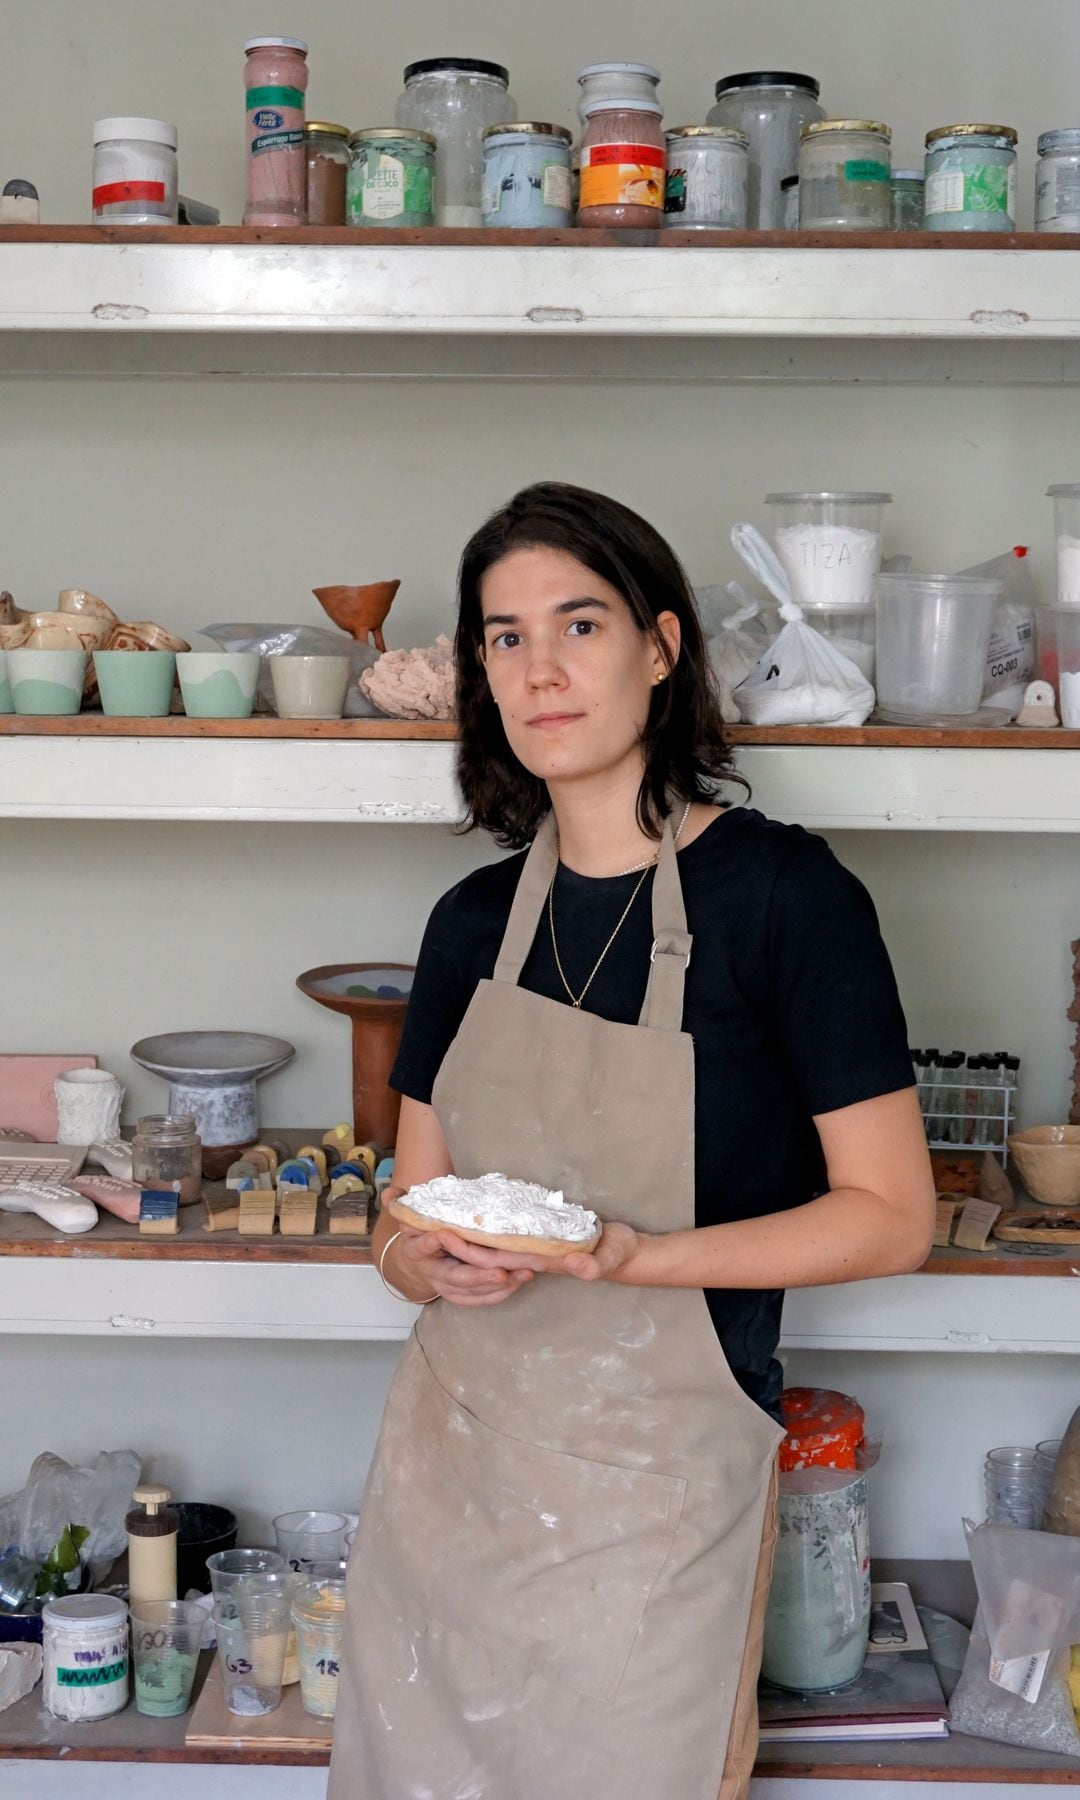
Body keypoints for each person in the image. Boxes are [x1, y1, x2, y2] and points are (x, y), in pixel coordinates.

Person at [328, 482, 935, 1800]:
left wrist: (626, 1256)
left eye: (580, 624)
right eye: (501, 637)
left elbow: (894, 1213)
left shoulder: (788, 900)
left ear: (660, 649)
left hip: (655, 1514)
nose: (539, 669)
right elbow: (404, 1210)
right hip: (456, 1486)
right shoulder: (468, 925)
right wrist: (426, 1263)